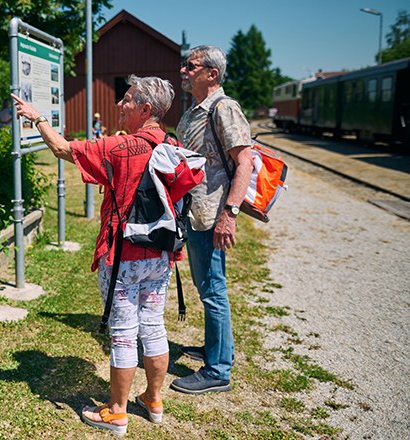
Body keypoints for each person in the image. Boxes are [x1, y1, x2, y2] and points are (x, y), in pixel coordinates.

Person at [12, 75, 177, 435]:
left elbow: (61, 149)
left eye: (128, 100)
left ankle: (117, 411)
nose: (120, 104)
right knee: (153, 327)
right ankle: (153, 399)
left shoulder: (121, 148)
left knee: (122, 334)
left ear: (146, 109)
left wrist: (37, 117)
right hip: (160, 256)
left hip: (123, 256)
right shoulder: (170, 143)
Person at [170, 45, 253, 395]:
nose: (183, 71)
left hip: (212, 215)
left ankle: (218, 370)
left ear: (212, 74)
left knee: (213, 289)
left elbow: (244, 161)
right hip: (196, 212)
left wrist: (229, 215)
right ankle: (217, 350)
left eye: (191, 66)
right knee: (207, 288)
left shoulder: (224, 108)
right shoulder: (195, 111)